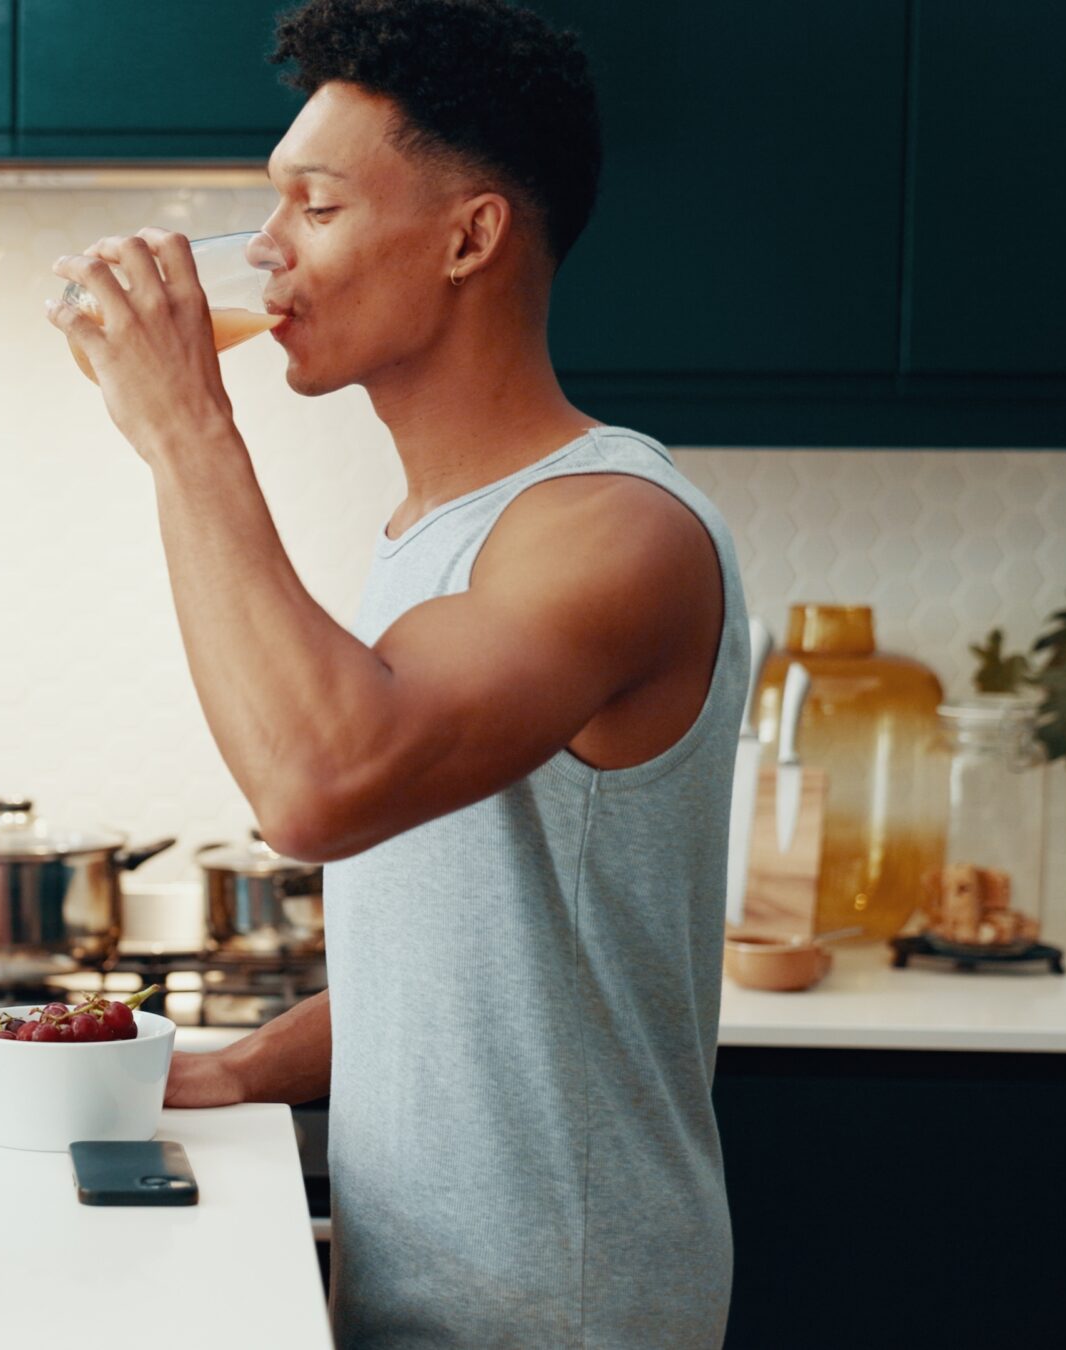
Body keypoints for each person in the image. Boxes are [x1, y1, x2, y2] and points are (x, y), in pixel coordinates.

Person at [46, 2, 746, 1343]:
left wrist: (185, 422)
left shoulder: (614, 529)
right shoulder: (439, 535)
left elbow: (315, 786)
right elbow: (456, 951)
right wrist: (252, 1064)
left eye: (316, 205)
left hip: (568, 1306)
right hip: (428, 1293)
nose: (265, 252)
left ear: (472, 235)